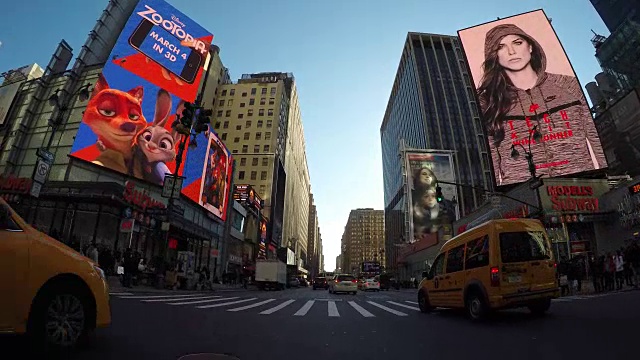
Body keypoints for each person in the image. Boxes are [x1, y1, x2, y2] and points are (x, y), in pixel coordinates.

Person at [477, 24, 606, 186]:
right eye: (501, 47)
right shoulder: (487, 101)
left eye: (517, 43)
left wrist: (605, 177)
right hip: (523, 192)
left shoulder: (568, 85)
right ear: (494, 56)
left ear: (530, 46)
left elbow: (595, 135)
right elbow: (491, 157)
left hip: (582, 183)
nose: (511, 52)